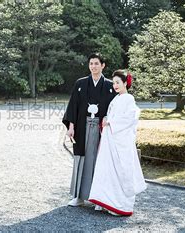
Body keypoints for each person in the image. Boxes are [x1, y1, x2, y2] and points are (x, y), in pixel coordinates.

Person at [88, 69, 147, 216]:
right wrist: (106, 119)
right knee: (108, 169)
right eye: (114, 82)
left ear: (125, 83)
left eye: (118, 82)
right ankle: (108, 201)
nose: (115, 85)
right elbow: (112, 115)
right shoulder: (116, 99)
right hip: (111, 138)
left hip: (121, 140)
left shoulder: (128, 99)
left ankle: (121, 204)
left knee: (122, 170)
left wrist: (111, 122)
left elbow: (131, 118)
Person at [62, 53, 117, 206]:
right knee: (81, 159)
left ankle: (99, 198)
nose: (93, 66)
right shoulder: (80, 84)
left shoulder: (110, 86)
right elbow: (73, 106)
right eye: (91, 63)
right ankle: (78, 196)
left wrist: (109, 120)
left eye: (96, 63)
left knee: (100, 161)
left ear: (103, 65)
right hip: (81, 126)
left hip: (101, 129)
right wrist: (71, 127)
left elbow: (115, 109)